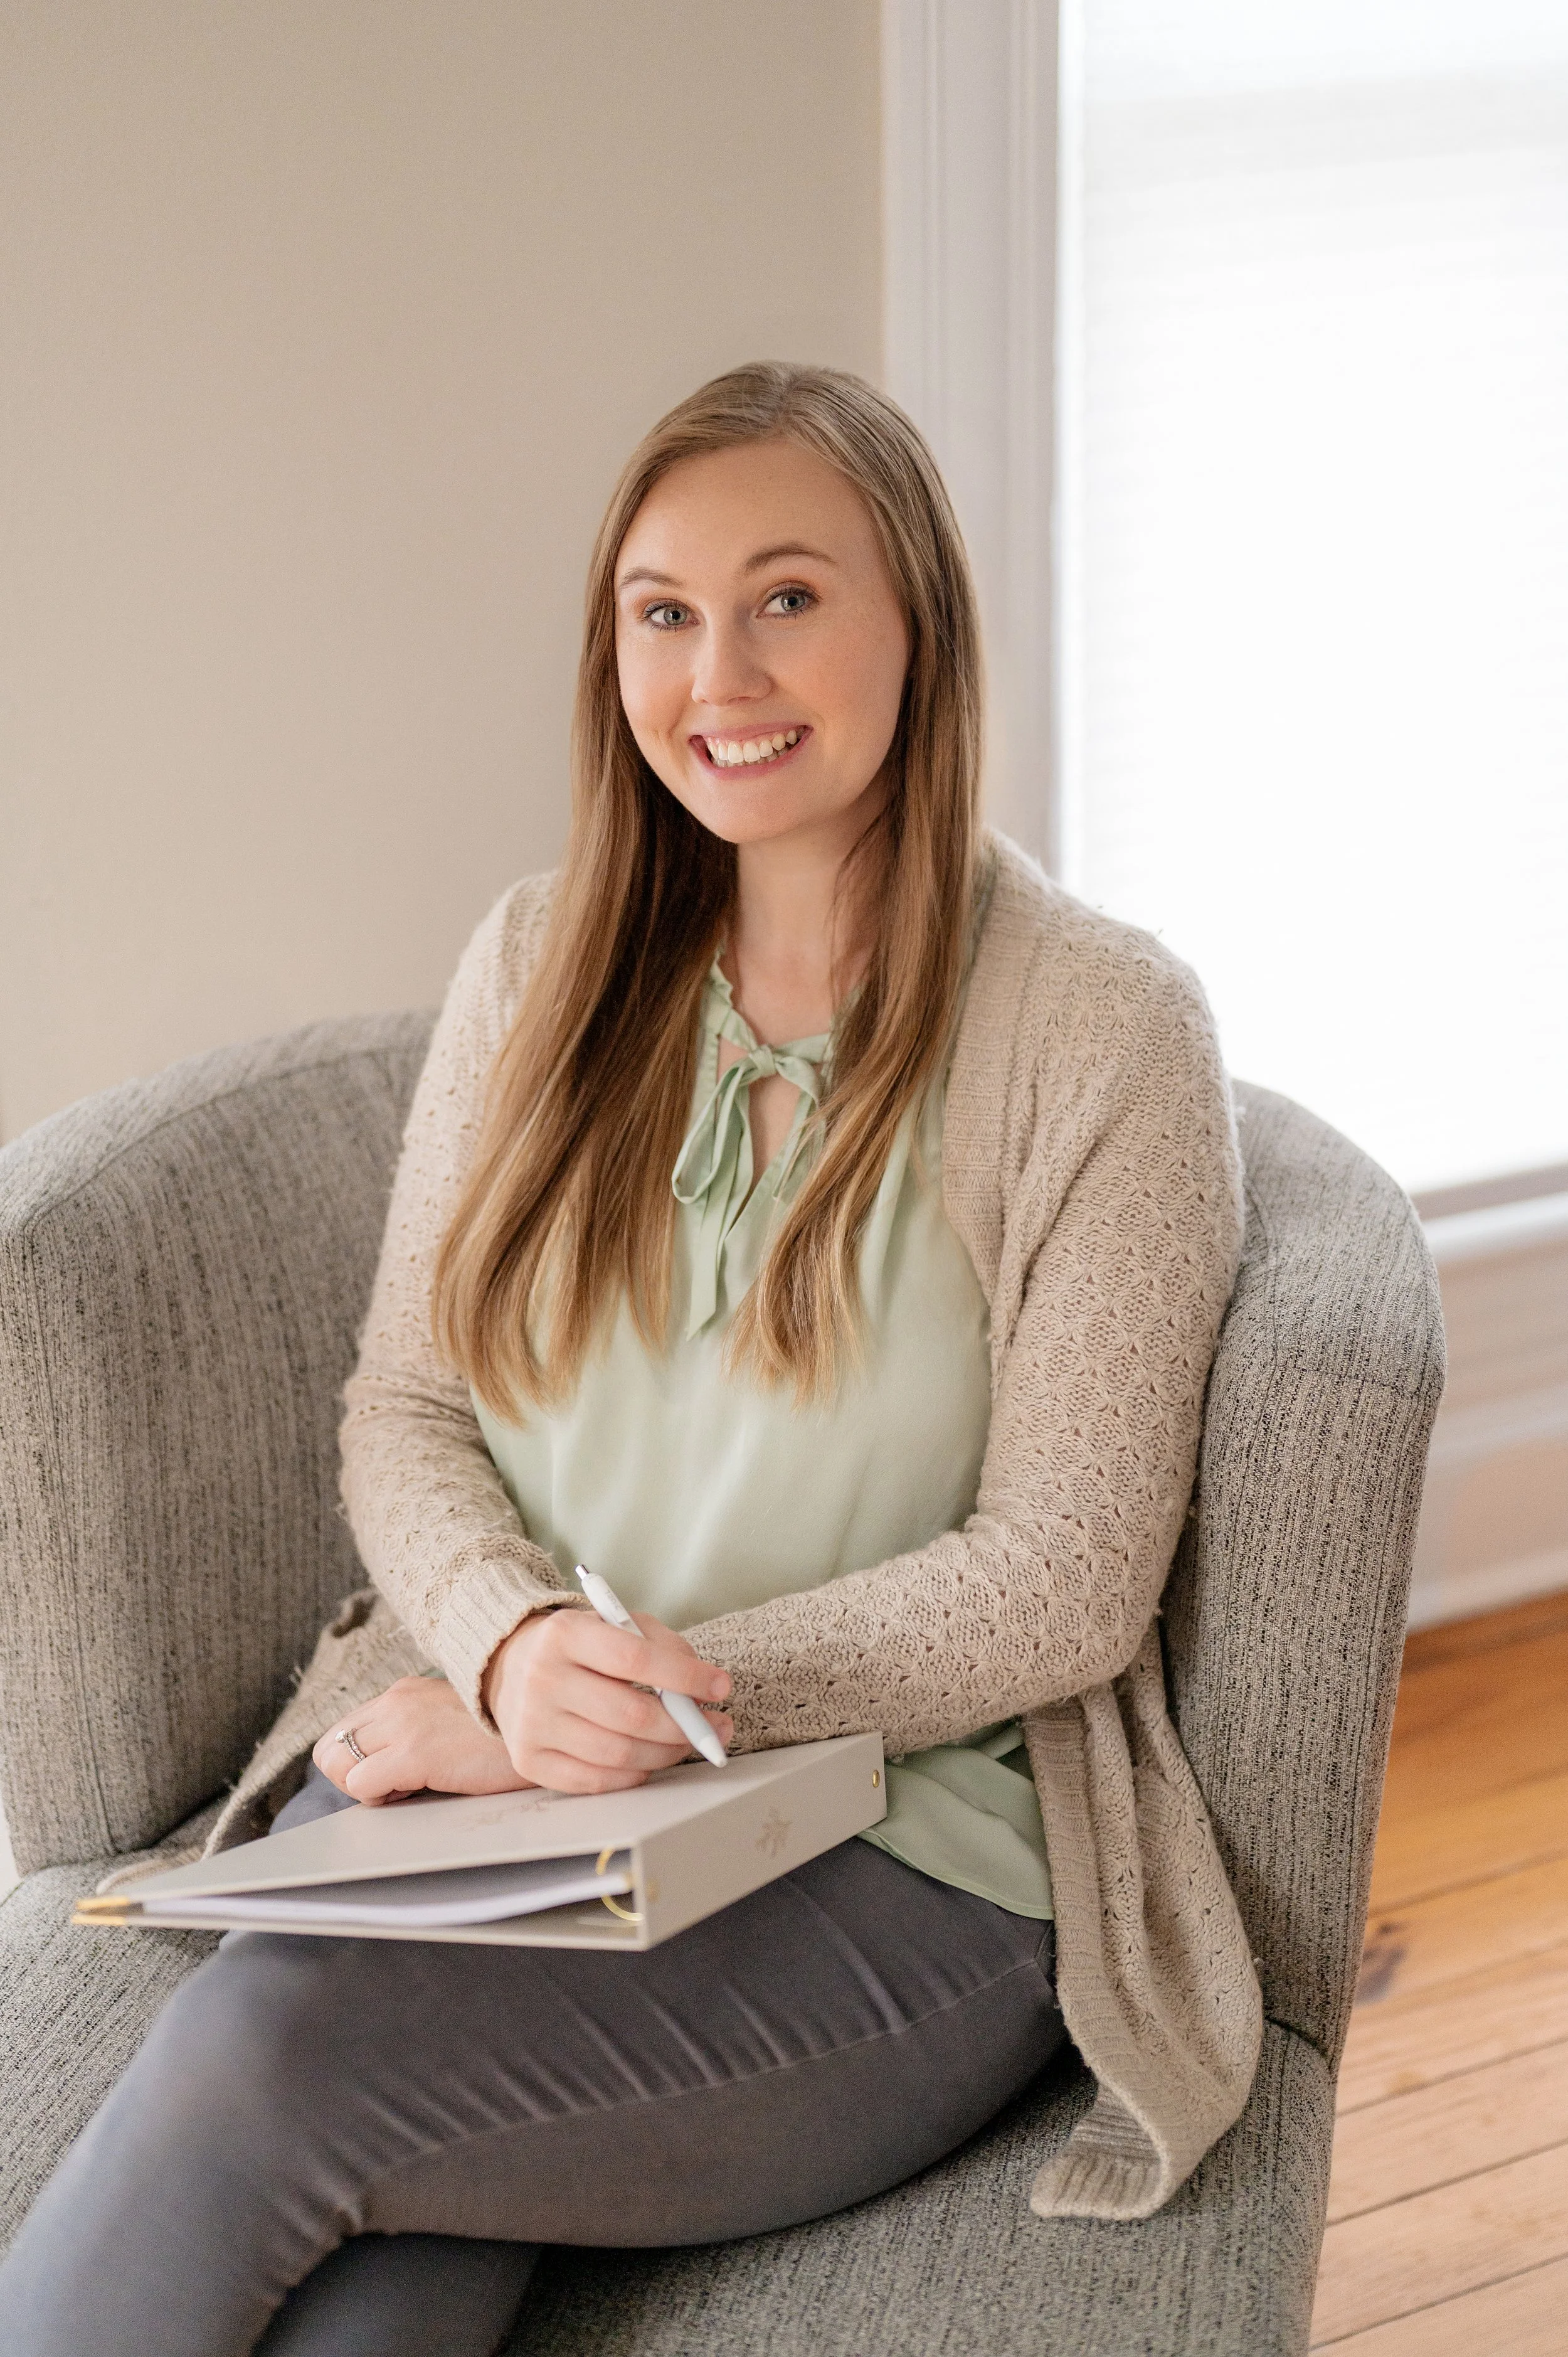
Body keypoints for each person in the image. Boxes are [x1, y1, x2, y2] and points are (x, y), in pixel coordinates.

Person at [1, 364, 1261, 2357]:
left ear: (914, 621)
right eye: (661, 610)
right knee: (379, 2275)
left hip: (911, 1864)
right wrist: (506, 1651)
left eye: (785, 596)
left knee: (270, 2061)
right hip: (509, 1797)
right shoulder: (541, 960)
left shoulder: (1099, 1032)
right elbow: (408, 1408)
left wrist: (637, 1716)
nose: (720, 669)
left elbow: (1070, 1571)